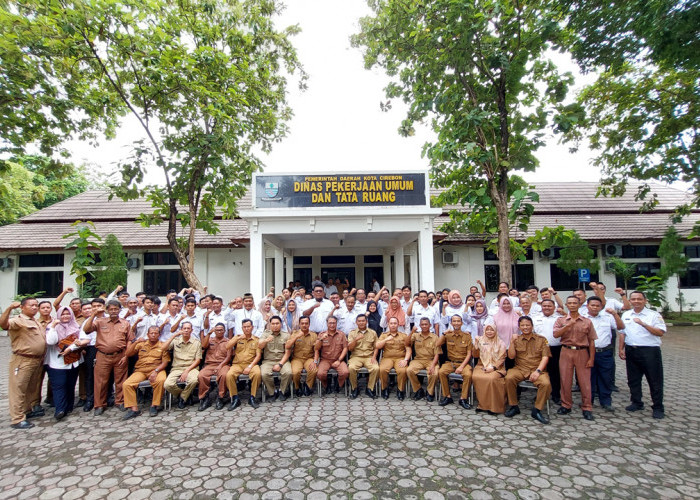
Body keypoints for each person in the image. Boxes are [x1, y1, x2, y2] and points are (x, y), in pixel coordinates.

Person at [619, 291, 667, 419]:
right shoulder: (626, 314)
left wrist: (644, 324)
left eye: (639, 299)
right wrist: (621, 349)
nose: (636, 301)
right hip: (631, 350)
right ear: (630, 301)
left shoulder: (653, 315)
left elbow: (660, 332)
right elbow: (623, 333)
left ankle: (658, 407)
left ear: (645, 301)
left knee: (654, 380)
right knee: (633, 379)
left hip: (649, 351)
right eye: (633, 299)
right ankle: (636, 402)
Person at [0, 298, 46, 429]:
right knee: (18, 389)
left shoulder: (35, 321)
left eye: (36, 305)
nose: (35, 307)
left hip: (36, 360)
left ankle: (26, 411)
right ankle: (17, 419)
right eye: (31, 305)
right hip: (22, 360)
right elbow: (3, 325)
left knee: (30, 388)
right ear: (22, 307)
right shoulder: (18, 320)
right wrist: (9, 309)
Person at [82, 300, 131, 416]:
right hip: (103, 356)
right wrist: (93, 314)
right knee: (100, 382)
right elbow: (86, 329)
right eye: (111, 309)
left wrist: (126, 355)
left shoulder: (125, 323)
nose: (114, 311)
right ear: (107, 310)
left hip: (120, 355)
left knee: (120, 380)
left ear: (120, 310)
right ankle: (99, 405)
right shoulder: (99, 322)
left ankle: (120, 401)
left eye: (116, 309)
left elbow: (129, 340)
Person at [554, 296, 597, 421]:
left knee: (585, 382)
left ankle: (587, 407)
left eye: (575, 303)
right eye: (570, 303)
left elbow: (592, 341)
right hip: (566, 351)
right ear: (566, 305)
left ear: (579, 305)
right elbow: (556, 334)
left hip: (582, 352)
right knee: (565, 380)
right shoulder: (561, 320)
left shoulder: (587, 321)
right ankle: (566, 405)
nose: (572, 305)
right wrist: (568, 326)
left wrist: (591, 358)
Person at [504, 316, 552, 424]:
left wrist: (538, 371)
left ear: (532, 326)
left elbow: (545, 357)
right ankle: (514, 406)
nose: (525, 327)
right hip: (520, 368)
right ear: (519, 327)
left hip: (537, 369)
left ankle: (537, 410)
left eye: (527, 325)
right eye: (522, 325)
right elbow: (511, 357)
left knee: (546, 383)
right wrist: (511, 342)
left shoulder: (542, 339)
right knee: (509, 378)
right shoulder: (517, 340)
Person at [121, 326, 170, 419]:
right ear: (147, 334)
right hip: (141, 370)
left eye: (156, 333)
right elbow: (128, 353)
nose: (153, 335)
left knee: (161, 380)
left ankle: (154, 405)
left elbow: (165, 362)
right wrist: (136, 342)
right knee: (127, 384)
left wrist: (156, 371)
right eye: (151, 333)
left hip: (157, 369)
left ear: (159, 335)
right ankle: (134, 409)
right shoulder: (141, 344)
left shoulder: (163, 345)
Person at [584, 296, 623, 412]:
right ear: (587, 306)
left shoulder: (608, 317)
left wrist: (616, 315)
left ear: (601, 307)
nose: (595, 307)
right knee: (588, 378)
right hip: (587, 353)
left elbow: (621, 328)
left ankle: (606, 401)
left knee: (606, 378)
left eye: (597, 305)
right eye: (592, 305)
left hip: (605, 352)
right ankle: (588, 401)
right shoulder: (583, 318)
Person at [44, 307, 83, 421]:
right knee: (59, 385)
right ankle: (60, 409)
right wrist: (53, 326)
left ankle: (68, 406)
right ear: (58, 315)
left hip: (73, 362)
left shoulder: (76, 326)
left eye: (68, 314)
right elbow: (51, 341)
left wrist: (71, 347)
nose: (65, 316)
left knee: (70, 385)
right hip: (57, 362)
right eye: (63, 314)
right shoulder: (53, 327)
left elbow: (82, 341)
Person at [163, 322, 202, 410]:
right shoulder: (176, 340)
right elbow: (163, 348)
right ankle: (185, 395)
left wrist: (187, 371)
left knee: (194, 380)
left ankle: (182, 398)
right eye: (184, 328)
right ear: (181, 330)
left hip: (191, 367)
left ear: (191, 330)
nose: (186, 330)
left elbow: (198, 360)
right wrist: (174, 336)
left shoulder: (196, 342)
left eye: (188, 328)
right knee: (167, 384)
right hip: (177, 368)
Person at [436, 315, 473, 409]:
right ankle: (447, 396)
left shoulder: (467, 336)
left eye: (458, 321)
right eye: (454, 321)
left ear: (461, 323)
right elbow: (437, 344)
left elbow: (469, 354)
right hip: (450, 362)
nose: (456, 323)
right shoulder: (448, 335)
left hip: (463, 363)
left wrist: (461, 367)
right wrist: (444, 333)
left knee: (468, 375)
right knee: (441, 372)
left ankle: (463, 399)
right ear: (451, 323)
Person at [224, 319, 261, 410]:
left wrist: (250, 367)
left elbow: (258, 356)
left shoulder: (256, 340)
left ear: (252, 327)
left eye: (248, 327)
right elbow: (227, 347)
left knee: (257, 373)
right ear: (242, 328)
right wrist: (236, 338)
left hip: (251, 364)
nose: (246, 329)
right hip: (237, 364)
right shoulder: (237, 337)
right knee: (229, 375)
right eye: (244, 327)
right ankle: (235, 398)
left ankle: (252, 397)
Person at [472, 322, 507, 414]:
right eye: (487, 330)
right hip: (481, 365)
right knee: (477, 377)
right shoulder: (481, 341)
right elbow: (475, 356)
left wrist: (493, 367)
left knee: (491, 378)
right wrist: (476, 344)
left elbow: (502, 358)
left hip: (497, 367)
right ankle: (482, 405)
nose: (489, 332)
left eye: (492, 330)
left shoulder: (500, 343)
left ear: (495, 331)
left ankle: (495, 407)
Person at [532, 299, 562, 405]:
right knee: (541, 372)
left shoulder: (560, 318)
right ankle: (540, 394)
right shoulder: (536, 318)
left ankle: (556, 395)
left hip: (555, 348)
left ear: (554, 307)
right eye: (544, 306)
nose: (547, 308)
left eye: (549, 306)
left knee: (555, 373)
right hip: (539, 350)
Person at [197, 322, 232, 411]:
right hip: (210, 364)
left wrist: (220, 366)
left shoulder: (228, 341)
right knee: (201, 375)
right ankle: (204, 398)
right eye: (217, 330)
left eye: (221, 330)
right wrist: (208, 333)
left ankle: (221, 397)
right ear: (214, 331)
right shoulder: (210, 340)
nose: (219, 332)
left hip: (223, 364)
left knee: (224, 375)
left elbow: (228, 357)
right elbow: (203, 346)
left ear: (224, 331)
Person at [405, 317, 440, 401]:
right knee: (409, 370)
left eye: (426, 324)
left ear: (430, 325)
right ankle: (418, 390)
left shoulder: (435, 337)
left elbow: (437, 353)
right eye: (422, 324)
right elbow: (406, 343)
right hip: (418, 360)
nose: (424, 326)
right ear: (420, 325)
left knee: (434, 373)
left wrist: (433, 365)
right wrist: (412, 331)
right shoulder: (416, 335)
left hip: (431, 360)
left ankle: (430, 392)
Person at [375, 317, 410, 400]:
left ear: (398, 325)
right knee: (382, 369)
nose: (393, 325)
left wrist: (406, 360)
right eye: (391, 323)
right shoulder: (384, 335)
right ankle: (384, 389)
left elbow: (408, 349)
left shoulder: (404, 335)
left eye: (395, 323)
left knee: (402, 370)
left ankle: (400, 390)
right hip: (387, 358)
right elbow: (377, 346)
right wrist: (386, 339)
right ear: (388, 324)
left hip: (400, 358)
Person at [259, 316, 292, 401]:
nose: (275, 325)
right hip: (268, 361)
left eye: (277, 323)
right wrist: (266, 340)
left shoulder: (286, 335)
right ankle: (272, 392)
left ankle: (282, 391)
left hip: (283, 360)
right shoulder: (265, 334)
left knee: (288, 372)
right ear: (270, 325)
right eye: (273, 324)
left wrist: (280, 364)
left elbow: (288, 353)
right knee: (264, 374)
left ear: (281, 324)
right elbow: (260, 346)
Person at [347, 315, 379, 399]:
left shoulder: (373, 332)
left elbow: (376, 347)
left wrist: (374, 357)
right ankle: (355, 388)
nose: (361, 323)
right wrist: (355, 340)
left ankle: (370, 389)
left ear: (366, 321)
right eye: (359, 321)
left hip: (369, 357)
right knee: (351, 368)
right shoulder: (352, 333)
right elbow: (350, 348)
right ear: (356, 322)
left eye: (363, 321)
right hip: (356, 356)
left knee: (376, 368)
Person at [285, 316, 318, 397]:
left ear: (309, 324)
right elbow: (287, 346)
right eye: (302, 323)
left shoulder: (314, 335)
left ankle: (308, 386)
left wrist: (315, 361)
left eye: (306, 323)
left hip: (309, 358)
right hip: (297, 359)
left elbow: (316, 350)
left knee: (313, 370)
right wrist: (296, 337)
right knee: (295, 372)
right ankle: (297, 386)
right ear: (299, 324)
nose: (304, 325)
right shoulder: (294, 334)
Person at [315, 317, 349, 393]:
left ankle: (339, 385)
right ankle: (326, 385)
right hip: (325, 360)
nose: (332, 325)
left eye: (334, 323)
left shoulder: (341, 334)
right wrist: (321, 339)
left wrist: (339, 360)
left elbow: (345, 348)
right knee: (320, 374)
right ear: (327, 324)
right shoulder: (322, 334)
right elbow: (316, 348)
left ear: (336, 324)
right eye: (330, 323)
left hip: (338, 359)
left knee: (345, 372)